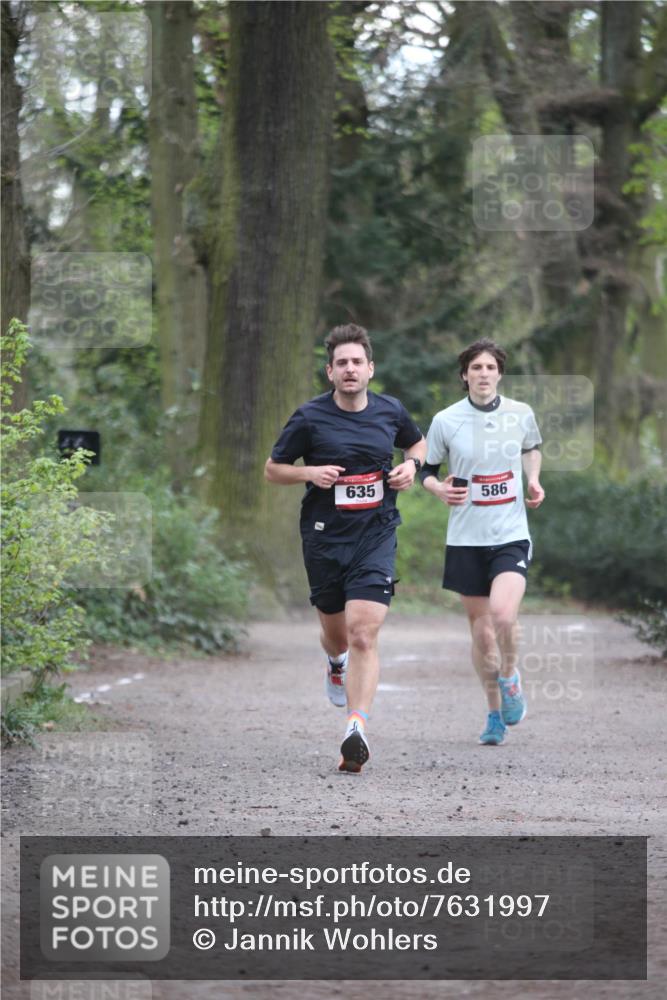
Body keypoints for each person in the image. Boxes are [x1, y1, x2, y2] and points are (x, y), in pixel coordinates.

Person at [265, 324, 426, 773]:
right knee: (338, 636)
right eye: (342, 363)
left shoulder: (391, 411)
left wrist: (411, 467)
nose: (350, 369)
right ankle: (335, 664)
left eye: (357, 362)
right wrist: (309, 474)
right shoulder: (309, 418)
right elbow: (273, 469)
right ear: (330, 372)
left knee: (363, 633)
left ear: (370, 369)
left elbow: (417, 443)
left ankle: (355, 729)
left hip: (375, 533)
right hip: (324, 536)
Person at [420, 338, 545, 746]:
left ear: (500, 374)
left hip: (510, 533)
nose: (484, 374)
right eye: (476, 368)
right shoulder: (446, 420)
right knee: (481, 632)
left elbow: (532, 447)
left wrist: (533, 479)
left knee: (503, 616)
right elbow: (427, 469)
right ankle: (493, 714)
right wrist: (439, 489)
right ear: (464, 375)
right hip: (466, 538)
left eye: (490, 367)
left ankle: (510, 676)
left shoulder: (520, 414)